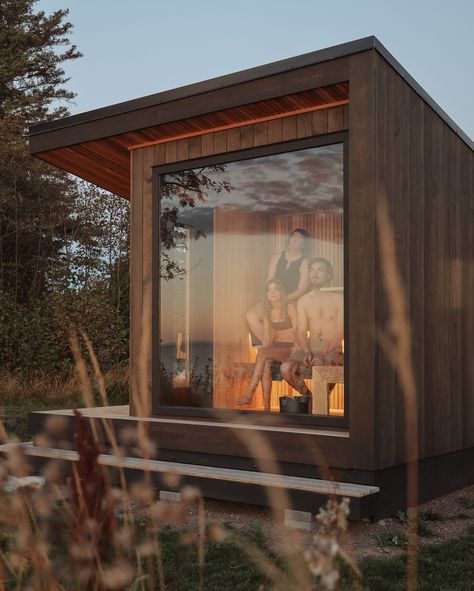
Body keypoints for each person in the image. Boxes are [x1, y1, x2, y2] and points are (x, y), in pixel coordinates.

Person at [280, 258, 343, 398]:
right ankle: (309, 398)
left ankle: (318, 402)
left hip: (332, 350)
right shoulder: (304, 301)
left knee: (324, 371)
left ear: (328, 275)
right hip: (309, 349)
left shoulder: (339, 300)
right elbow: (302, 331)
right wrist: (306, 351)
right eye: (312, 270)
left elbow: (340, 333)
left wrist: (323, 354)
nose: (315, 273)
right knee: (285, 368)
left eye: (320, 269)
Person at [236, 279, 297, 411]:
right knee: (265, 363)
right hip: (276, 348)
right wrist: (262, 355)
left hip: (290, 348)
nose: (272, 292)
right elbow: (267, 336)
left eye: (276, 289)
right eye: (269, 290)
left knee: (263, 354)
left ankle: (249, 393)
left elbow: (299, 330)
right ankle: (267, 407)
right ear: (266, 294)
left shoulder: (289, 307)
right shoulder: (267, 311)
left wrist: (297, 349)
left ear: (281, 292)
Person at [245, 228, 311, 344]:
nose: (294, 240)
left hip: (292, 301)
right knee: (250, 315)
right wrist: (272, 298)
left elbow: (301, 290)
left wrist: (283, 300)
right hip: (273, 297)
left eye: (298, 239)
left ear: (304, 244)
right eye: (293, 237)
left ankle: (284, 350)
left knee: (294, 310)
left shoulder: (305, 262)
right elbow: (268, 282)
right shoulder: (276, 257)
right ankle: (273, 346)